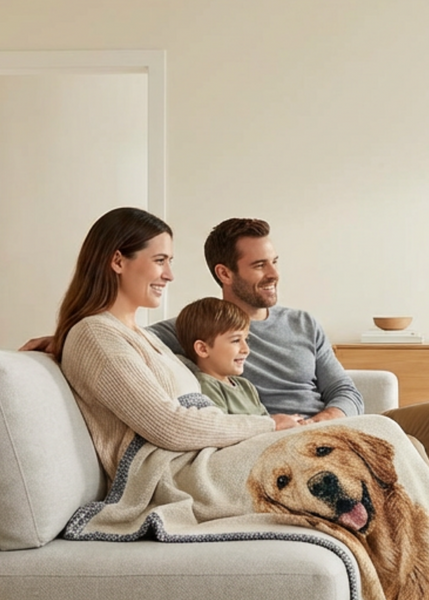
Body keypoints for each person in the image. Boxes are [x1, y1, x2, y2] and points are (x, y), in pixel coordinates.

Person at [148, 218, 429, 546]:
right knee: (410, 450)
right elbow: (124, 338)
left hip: (341, 429)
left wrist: (328, 417)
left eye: (274, 261)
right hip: (291, 447)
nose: (274, 274)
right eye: (259, 266)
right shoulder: (194, 329)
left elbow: (345, 391)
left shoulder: (303, 323)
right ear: (224, 273)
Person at [51, 207, 300, 485]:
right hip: (181, 476)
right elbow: (169, 427)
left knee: (352, 435)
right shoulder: (95, 334)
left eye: (169, 261)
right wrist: (269, 425)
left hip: (210, 459)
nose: (169, 275)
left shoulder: (142, 337)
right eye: (160, 260)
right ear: (118, 261)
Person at [174, 296, 297, 426]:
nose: (246, 349)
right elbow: (221, 429)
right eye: (236, 340)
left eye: (246, 340)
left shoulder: (245, 386)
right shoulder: (205, 386)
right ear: (203, 349)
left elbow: (266, 423)